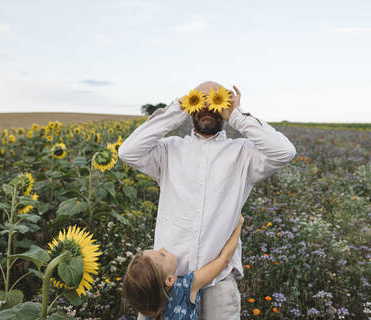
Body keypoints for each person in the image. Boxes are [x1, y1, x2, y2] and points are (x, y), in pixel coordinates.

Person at [118, 81, 296, 319]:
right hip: (164, 281)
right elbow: (127, 152)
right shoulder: (170, 150)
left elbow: (285, 151)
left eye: (216, 101)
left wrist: (238, 116)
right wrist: (178, 108)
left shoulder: (243, 153)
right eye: (201, 101)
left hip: (218, 280)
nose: (208, 108)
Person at [123, 215, 244, 319]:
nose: (163, 248)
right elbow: (224, 260)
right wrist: (238, 225)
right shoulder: (184, 289)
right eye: (162, 254)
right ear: (169, 280)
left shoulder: (150, 310)